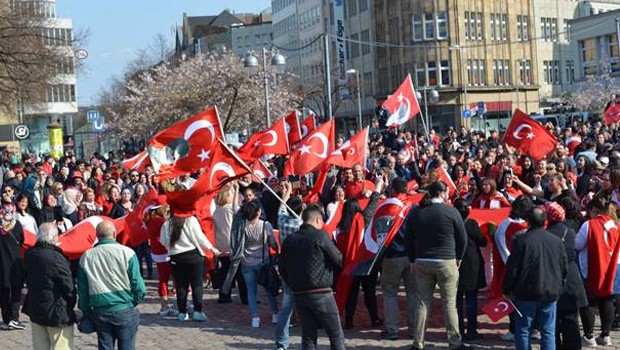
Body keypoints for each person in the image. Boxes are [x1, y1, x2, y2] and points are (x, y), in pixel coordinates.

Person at [405, 181, 469, 350]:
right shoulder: (451, 212)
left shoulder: (416, 213)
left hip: (422, 261)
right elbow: (463, 238)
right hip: (446, 260)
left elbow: (409, 238)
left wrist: (412, 259)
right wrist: (459, 258)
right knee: (449, 303)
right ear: (442, 193)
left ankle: (418, 343)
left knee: (423, 302)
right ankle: (454, 342)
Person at [279, 203, 345, 350]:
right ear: (317, 221)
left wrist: (294, 283)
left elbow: (282, 268)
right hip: (321, 292)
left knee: (308, 337)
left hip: (300, 293)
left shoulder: (290, 240)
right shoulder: (320, 235)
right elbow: (338, 259)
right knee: (336, 336)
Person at [503, 207, 567, 350]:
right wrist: (559, 286)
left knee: (524, 330)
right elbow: (564, 268)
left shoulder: (521, 241)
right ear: (545, 221)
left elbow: (512, 269)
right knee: (548, 331)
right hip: (549, 291)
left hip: (526, 292)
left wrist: (507, 289)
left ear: (528, 222)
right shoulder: (556, 241)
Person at [77, 220, 146, 350]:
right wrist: (134, 302)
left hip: (100, 310)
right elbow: (138, 284)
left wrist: (86, 310)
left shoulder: (86, 257)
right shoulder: (128, 253)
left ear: (97, 235)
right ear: (114, 234)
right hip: (124, 308)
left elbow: (83, 290)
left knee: (105, 346)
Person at [160, 207, 220, 322]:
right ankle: (198, 311)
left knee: (180, 286)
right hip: (193, 256)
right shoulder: (191, 220)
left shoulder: (167, 224)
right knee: (196, 285)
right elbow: (200, 238)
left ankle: (182, 313)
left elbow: (163, 241)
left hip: (176, 257)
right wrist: (212, 248)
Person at [23, 223, 76, 350]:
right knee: (61, 345)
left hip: (36, 306)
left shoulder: (30, 254)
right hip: (56, 310)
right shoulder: (56, 257)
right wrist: (71, 303)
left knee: (40, 345)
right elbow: (68, 286)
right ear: (53, 237)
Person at [576, 196, 620, 347]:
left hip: (593, 267)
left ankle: (589, 337)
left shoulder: (589, 224)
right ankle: (605, 335)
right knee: (608, 300)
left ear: (593, 210)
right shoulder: (616, 224)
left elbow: (578, 244)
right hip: (613, 267)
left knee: (590, 301)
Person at [543, 201, 587, 350]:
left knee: (552, 322)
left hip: (552, 279)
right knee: (571, 321)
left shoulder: (546, 234)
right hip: (571, 279)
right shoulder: (570, 231)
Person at [379, 177, 418, 341]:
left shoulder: (386, 207)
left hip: (392, 256)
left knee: (389, 293)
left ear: (392, 190)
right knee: (413, 294)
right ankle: (414, 330)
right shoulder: (413, 208)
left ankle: (392, 330)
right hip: (411, 257)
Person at [238, 201, 279, 328]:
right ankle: (275, 314)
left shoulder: (242, 226)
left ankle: (255, 318)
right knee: (269, 289)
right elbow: (272, 243)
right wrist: (277, 249)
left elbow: (239, 244)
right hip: (263, 262)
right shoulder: (265, 225)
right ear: (258, 212)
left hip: (247, 262)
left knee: (251, 290)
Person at [273, 180, 304, 350]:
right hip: (300, 269)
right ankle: (307, 342)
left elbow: (282, 207)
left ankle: (281, 343)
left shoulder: (282, 221)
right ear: (301, 210)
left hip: (285, 268)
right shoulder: (302, 226)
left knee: (286, 308)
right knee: (305, 307)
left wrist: (286, 193)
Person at [453, 198, 487, 341]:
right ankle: (471, 330)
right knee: (471, 299)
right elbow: (483, 242)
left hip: (455, 264)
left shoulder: (452, 224)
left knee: (457, 301)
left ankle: (459, 329)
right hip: (472, 265)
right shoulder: (472, 224)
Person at [213, 182, 246, 304]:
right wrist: (236, 189)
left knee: (226, 270)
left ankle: (224, 294)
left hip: (220, 243)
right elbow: (236, 209)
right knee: (239, 272)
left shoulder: (217, 210)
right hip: (232, 243)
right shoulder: (229, 209)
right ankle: (244, 297)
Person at [0, 200, 25, 330]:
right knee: (16, 290)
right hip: (15, 263)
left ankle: (6, 319)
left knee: (4, 291)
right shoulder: (17, 225)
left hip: (2, 264)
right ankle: (14, 319)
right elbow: (22, 240)